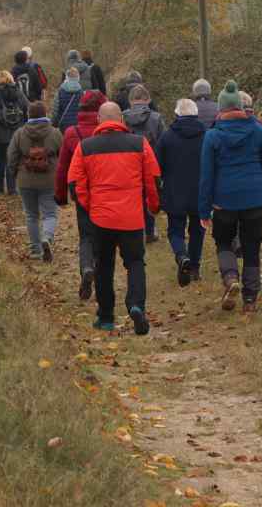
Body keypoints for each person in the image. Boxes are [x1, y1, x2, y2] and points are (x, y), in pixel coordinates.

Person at [68, 102, 161, 335]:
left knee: (104, 266)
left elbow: (75, 183)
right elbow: (153, 178)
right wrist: (153, 205)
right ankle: (137, 305)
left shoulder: (85, 147)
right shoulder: (139, 144)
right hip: (131, 217)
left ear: (99, 120)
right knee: (136, 262)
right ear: (121, 120)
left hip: (101, 218)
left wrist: (90, 208)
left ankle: (106, 316)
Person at [199, 81, 262, 312]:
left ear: (221, 109)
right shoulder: (258, 130)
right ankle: (250, 299)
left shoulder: (212, 136)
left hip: (224, 200)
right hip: (254, 197)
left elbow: (206, 175)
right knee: (252, 246)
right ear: (241, 108)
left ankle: (231, 277)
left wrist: (204, 209)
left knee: (223, 241)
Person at [56, 89, 107, 301]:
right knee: (103, 235)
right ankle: (101, 274)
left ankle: (86, 268)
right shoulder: (108, 131)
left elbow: (62, 167)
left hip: (81, 191)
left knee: (85, 235)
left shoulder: (71, 133)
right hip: (105, 189)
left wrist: (60, 194)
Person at [156, 98, 207, 286]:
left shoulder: (167, 137)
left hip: (174, 192)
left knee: (175, 230)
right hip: (200, 192)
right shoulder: (206, 135)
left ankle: (181, 255)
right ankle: (194, 266)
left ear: (177, 114)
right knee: (198, 230)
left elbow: (157, 165)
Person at [8, 101, 64, 260]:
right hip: (49, 180)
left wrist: (14, 175)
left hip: (25, 180)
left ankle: (35, 249)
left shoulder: (19, 133)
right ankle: (47, 237)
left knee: (31, 215)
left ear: (28, 115)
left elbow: (11, 157)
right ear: (45, 114)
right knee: (50, 214)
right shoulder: (55, 133)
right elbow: (64, 157)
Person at [123, 84, 165, 242]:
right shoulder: (156, 118)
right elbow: (163, 143)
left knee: (132, 197)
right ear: (147, 99)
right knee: (150, 195)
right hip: (151, 162)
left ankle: (135, 229)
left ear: (131, 100)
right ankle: (150, 230)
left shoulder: (122, 117)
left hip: (128, 163)